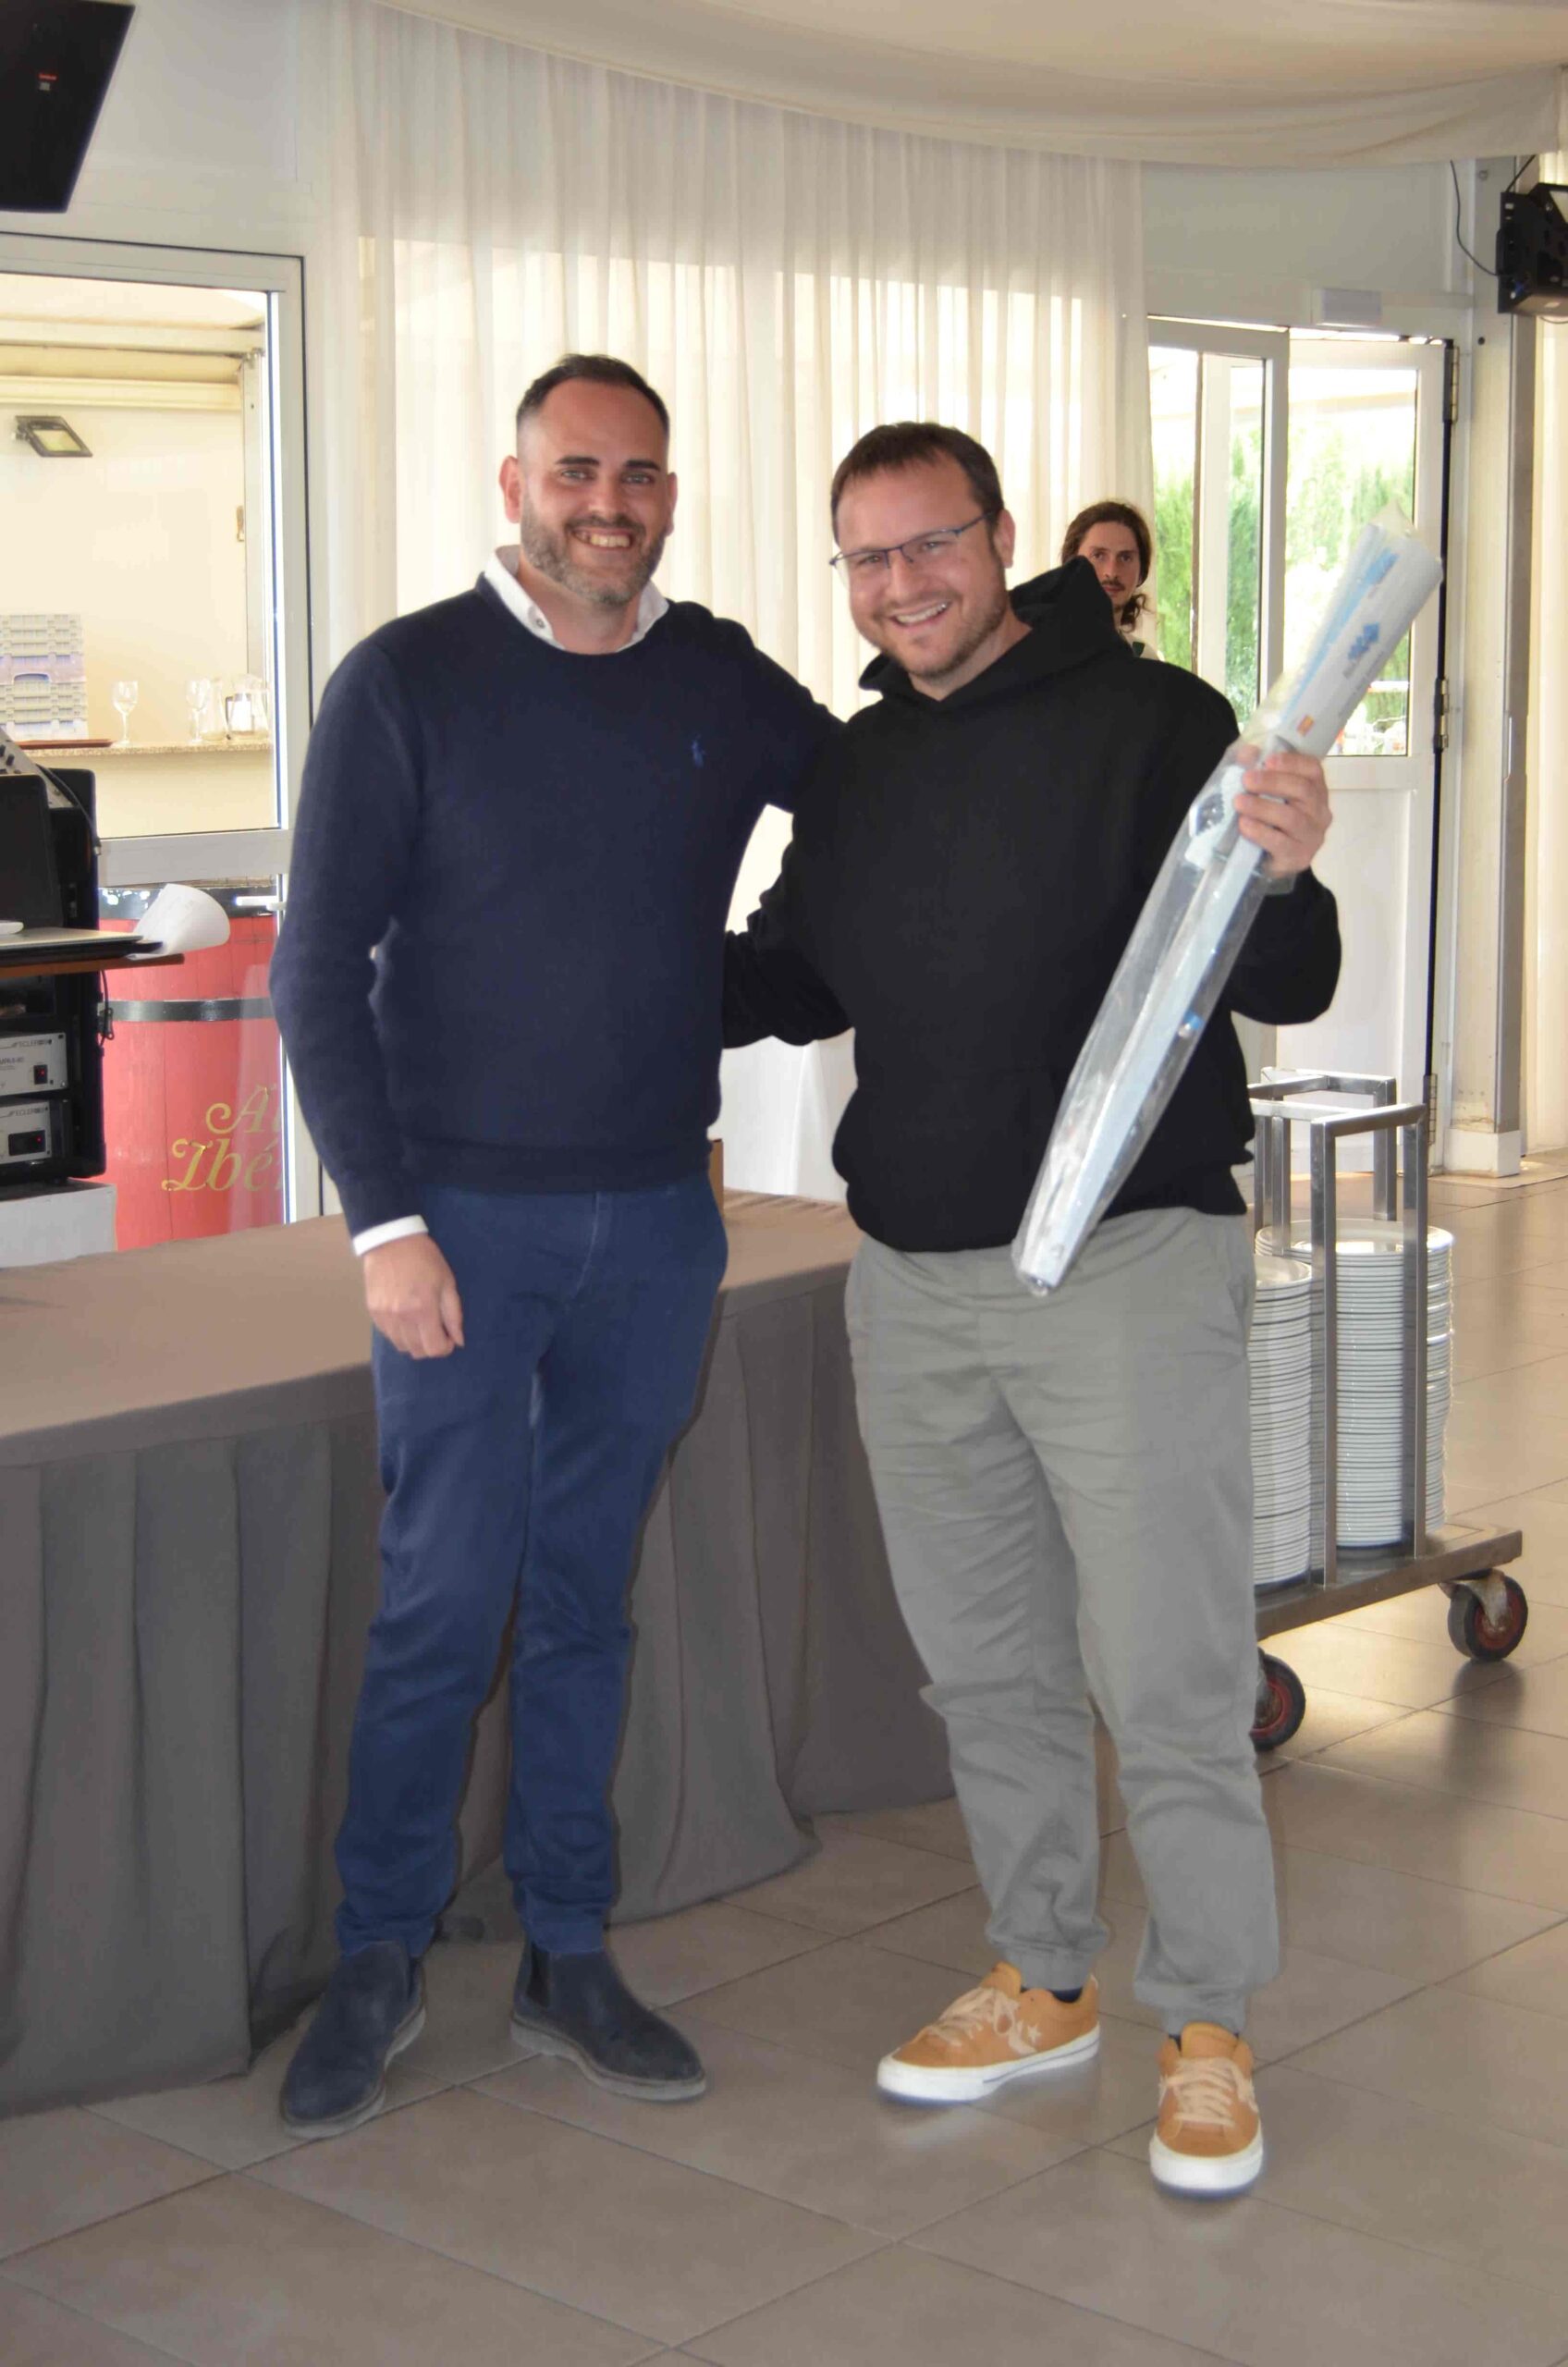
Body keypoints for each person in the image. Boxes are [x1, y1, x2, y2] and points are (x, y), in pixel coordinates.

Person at [723, 423, 1340, 2196]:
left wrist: (1287, 865)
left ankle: (1206, 2023)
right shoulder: (856, 772)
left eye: (931, 544)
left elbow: (1288, 971)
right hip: (915, 1283)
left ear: (1001, 540)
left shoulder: (1152, 723)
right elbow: (785, 978)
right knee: (987, 1667)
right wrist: (574, 966)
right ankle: (1046, 1977)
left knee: (1166, 1673)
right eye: (867, 557)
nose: (901, 584)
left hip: (1123, 1266)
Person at [269, 354, 832, 2134]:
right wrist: (387, 1226)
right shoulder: (405, 681)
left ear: (671, 492)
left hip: (655, 1223)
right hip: (459, 1225)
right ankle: (378, 1953)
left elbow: (882, 799)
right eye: (577, 470)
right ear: (513, 485)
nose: (610, 502)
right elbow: (313, 971)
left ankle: (565, 1947)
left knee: (589, 1600)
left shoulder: (716, 677)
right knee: (443, 1602)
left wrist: (770, 966)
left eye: (639, 474)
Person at [1061, 497, 1155, 649]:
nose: (1111, 572)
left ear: (1142, 571)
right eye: (1098, 556)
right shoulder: (1040, 651)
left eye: (1125, 558)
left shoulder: (1144, 656)